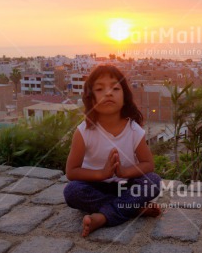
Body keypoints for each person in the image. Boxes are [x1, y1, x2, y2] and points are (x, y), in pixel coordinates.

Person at [64, 65, 161, 237]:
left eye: (115, 88)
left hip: (126, 185)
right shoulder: (84, 131)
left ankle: (102, 216)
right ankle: (133, 208)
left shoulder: (133, 129)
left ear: (125, 97)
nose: (108, 93)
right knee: (72, 191)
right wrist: (101, 174)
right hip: (95, 187)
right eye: (100, 89)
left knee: (152, 181)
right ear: (91, 99)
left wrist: (124, 172)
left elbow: (148, 165)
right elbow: (71, 172)